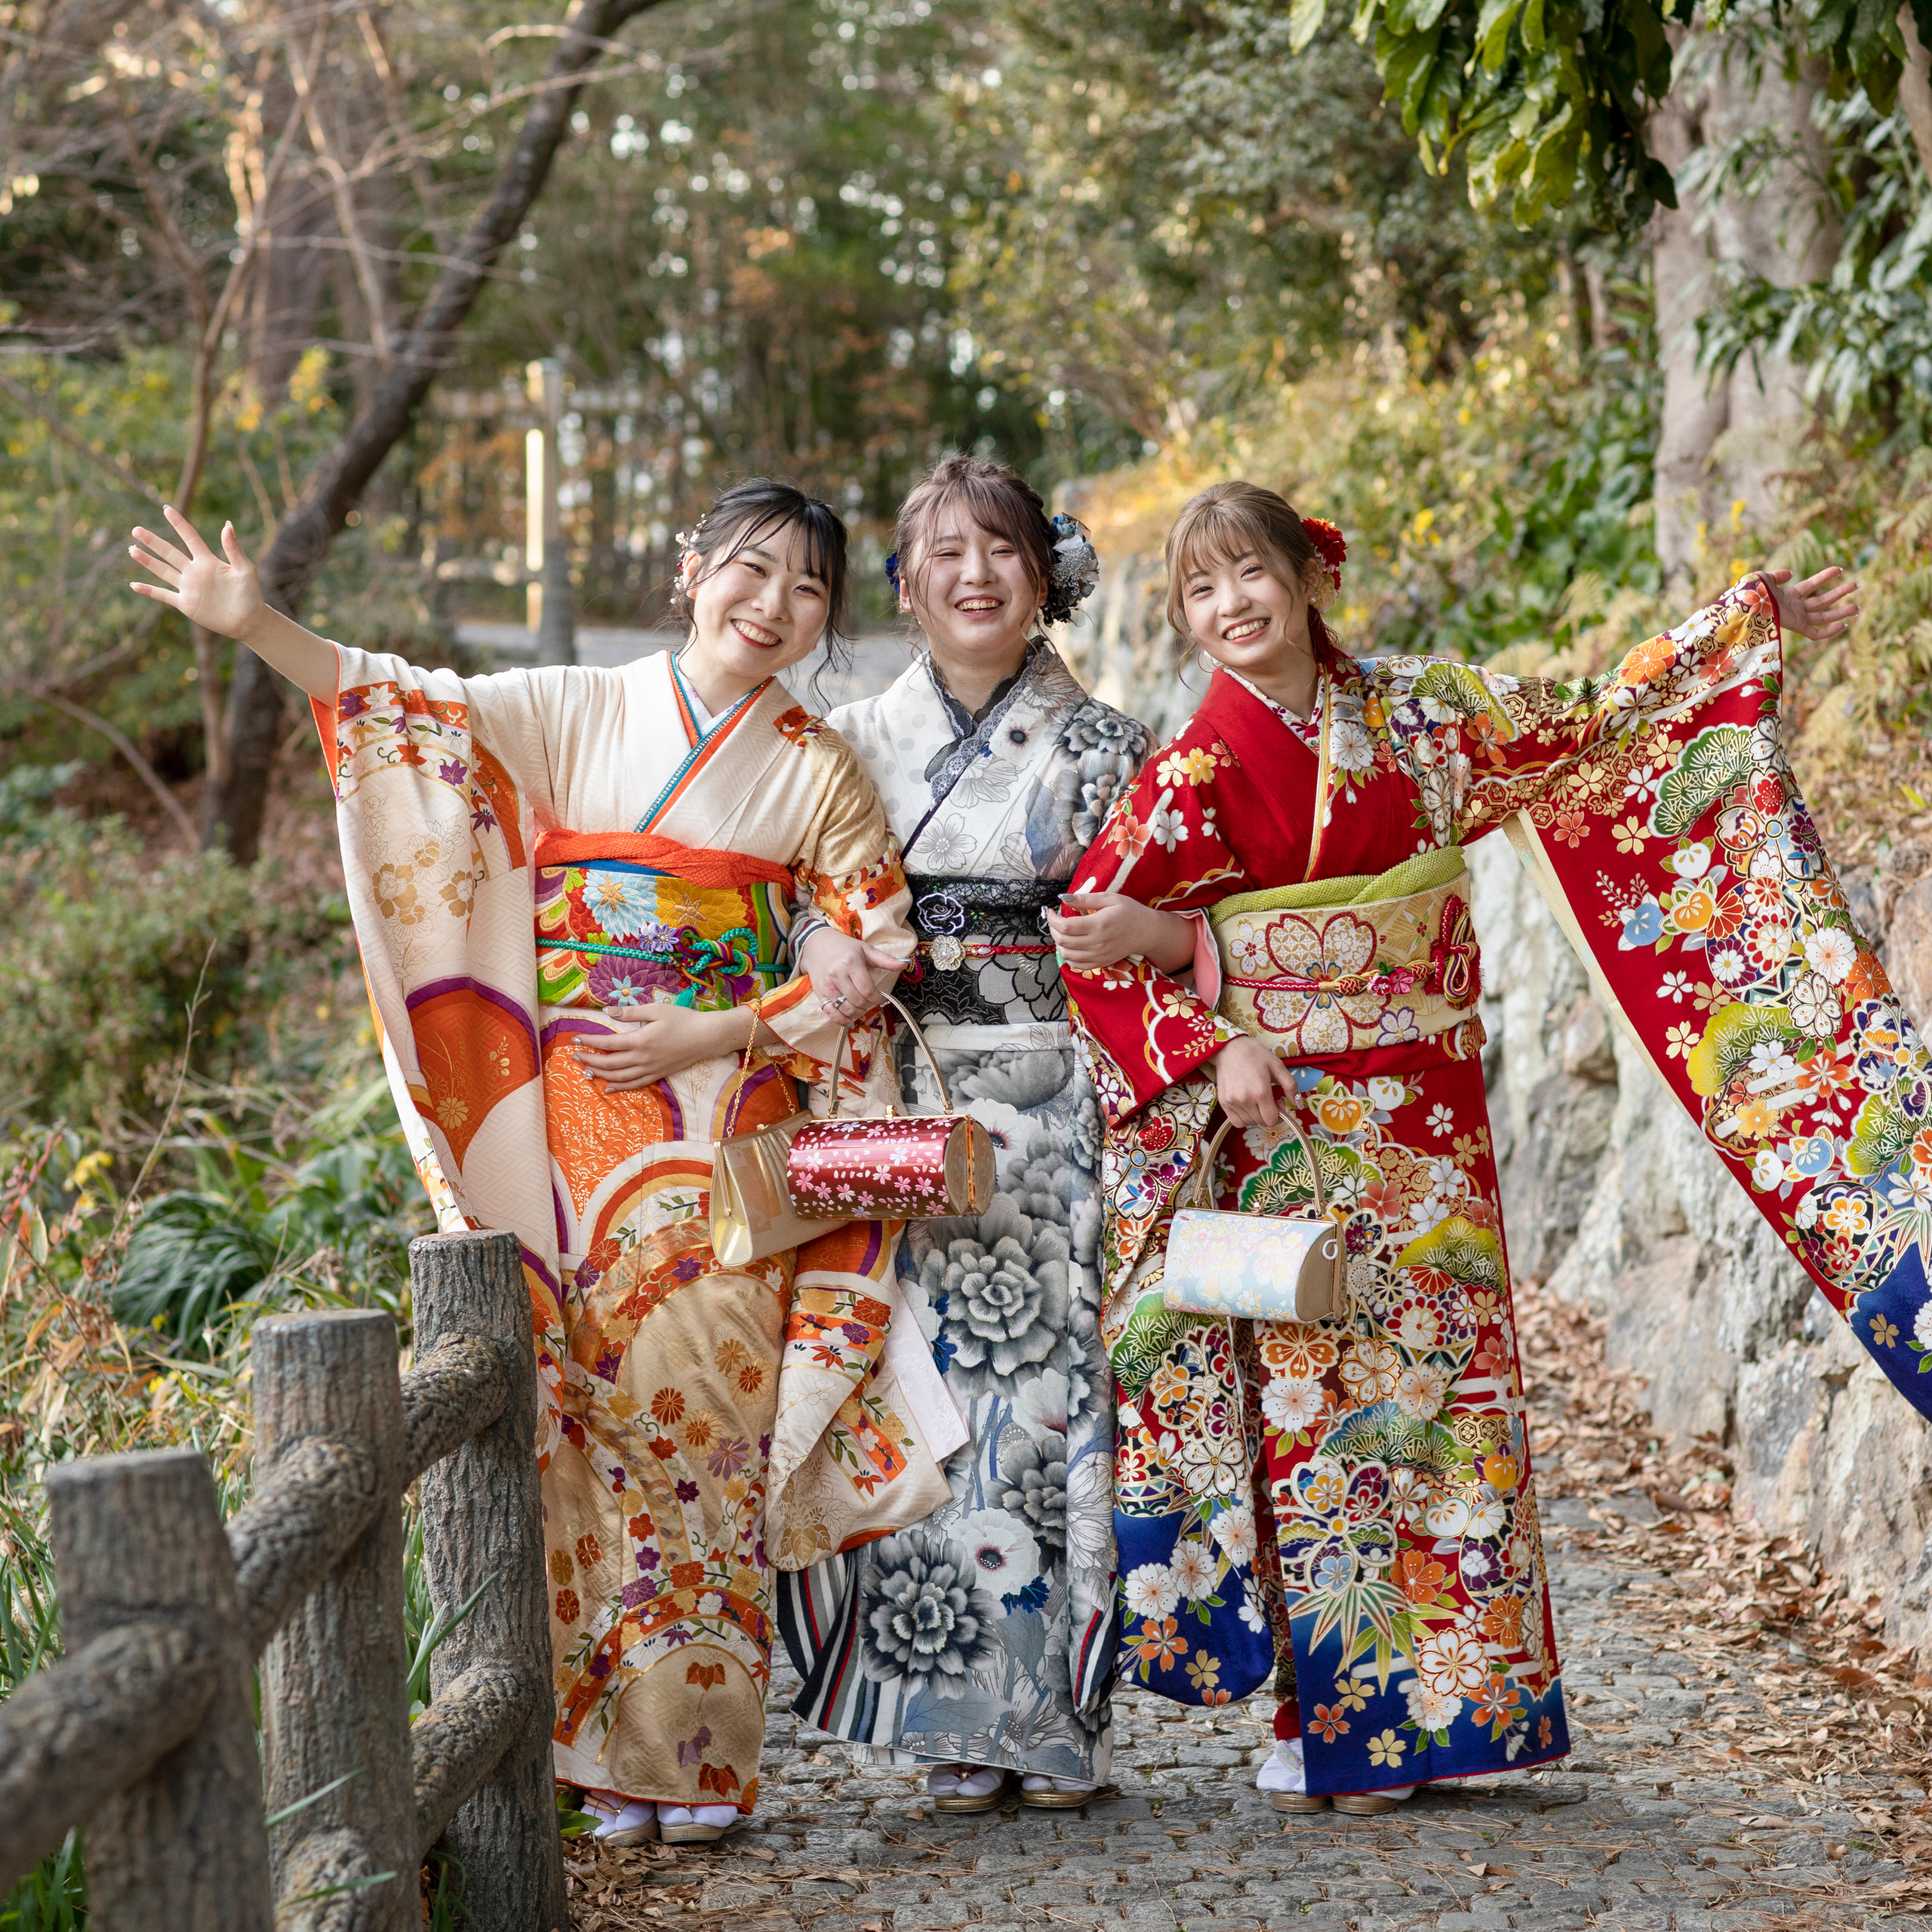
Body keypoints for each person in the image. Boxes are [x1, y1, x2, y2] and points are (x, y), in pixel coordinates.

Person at [127, 481, 964, 1845]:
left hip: (726, 1127)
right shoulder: (581, 706)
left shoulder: (816, 765)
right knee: (571, 1427)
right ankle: (591, 1757)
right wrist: (257, 623)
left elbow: (873, 945)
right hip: (568, 1123)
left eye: (807, 591)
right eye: (749, 573)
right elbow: (401, 709)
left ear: (825, 619)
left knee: (705, 1430)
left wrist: (734, 1017)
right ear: (691, 571)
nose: (773, 608)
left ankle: (693, 1759)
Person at [1056, 480, 1894, 1816]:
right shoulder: (1194, 770)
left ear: (1311, 575)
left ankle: (1466, 1709)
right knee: (1320, 1408)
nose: (1231, 608)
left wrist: (1734, 635)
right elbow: (1097, 941)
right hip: (1297, 1122)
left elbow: (1593, 730)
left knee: (1451, 1400)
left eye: (1250, 575)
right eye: (1199, 592)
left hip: (1432, 1116)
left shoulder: (1424, 713)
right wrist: (1216, 1043)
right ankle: (1336, 1716)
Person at [772, 454, 1152, 1811]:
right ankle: (943, 1717)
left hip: (1054, 1103)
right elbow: (793, 901)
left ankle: (1051, 1719)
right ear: (905, 585)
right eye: (946, 554)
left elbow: (1169, 923)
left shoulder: (1108, 746)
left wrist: (1133, 938)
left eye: (1001, 552)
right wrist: (832, 945)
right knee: (919, 1403)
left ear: (1043, 578)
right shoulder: (848, 740)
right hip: (899, 1103)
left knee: (1043, 1416)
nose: (975, 576)